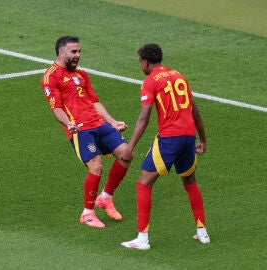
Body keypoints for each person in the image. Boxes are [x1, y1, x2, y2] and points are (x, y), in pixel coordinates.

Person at [121, 43, 210, 250]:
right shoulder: (180, 76)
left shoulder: (150, 81)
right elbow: (195, 111)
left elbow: (144, 118)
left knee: (144, 183)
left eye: (140, 62)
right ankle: (202, 232)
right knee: (189, 181)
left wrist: (129, 146)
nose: (140, 66)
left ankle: (142, 239)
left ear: (146, 62)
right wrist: (203, 139)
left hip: (170, 138)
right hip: (188, 137)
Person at [41, 36, 132, 228]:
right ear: (61, 52)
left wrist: (113, 122)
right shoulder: (51, 77)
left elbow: (95, 101)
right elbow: (56, 107)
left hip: (99, 124)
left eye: (79, 52)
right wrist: (68, 123)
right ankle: (87, 213)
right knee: (96, 166)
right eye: (74, 52)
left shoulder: (82, 75)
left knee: (126, 154)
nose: (78, 55)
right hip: (80, 129)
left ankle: (106, 198)